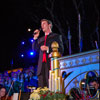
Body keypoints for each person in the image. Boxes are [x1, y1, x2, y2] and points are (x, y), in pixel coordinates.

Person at [32, 19, 64, 88]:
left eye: (44, 24)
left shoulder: (56, 36)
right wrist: (35, 38)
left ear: (49, 25)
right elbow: (34, 49)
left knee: (51, 86)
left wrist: (48, 48)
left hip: (51, 65)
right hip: (41, 66)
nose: (42, 26)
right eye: (41, 24)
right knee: (42, 87)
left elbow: (61, 49)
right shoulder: (40, 39)